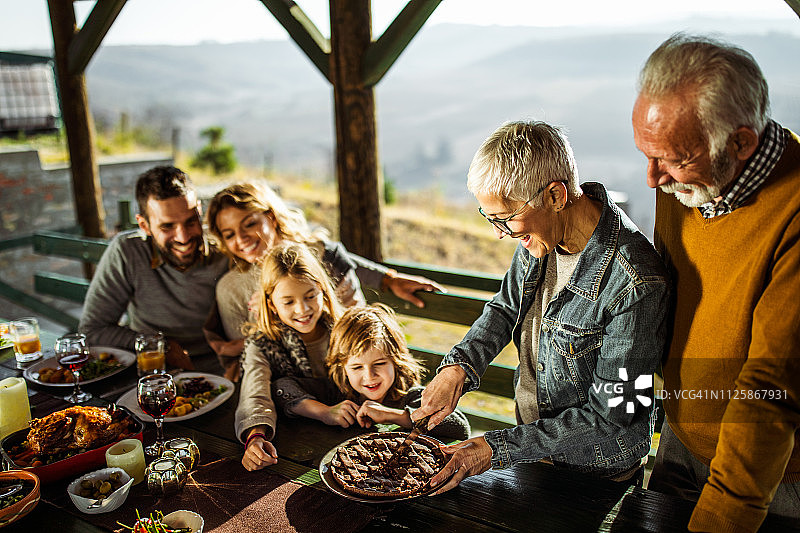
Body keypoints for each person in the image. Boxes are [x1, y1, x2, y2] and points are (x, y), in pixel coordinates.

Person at [413, 121, 670, 493]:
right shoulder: (542, 234)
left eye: (506, 219)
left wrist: (495, 448)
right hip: (535, 456)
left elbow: (615, 417)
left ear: (555, 196)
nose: (501, 234)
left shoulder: (638, 284)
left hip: (595, 475)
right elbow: (505, 308)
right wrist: (458, 367)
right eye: (490, 218)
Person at [631, 33, 800, 531]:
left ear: (741, 142)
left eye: (672, 159)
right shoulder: (682, 181)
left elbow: (770, 387)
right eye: (645, 152)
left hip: (773, 474)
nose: (652, 179)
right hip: (681, 439)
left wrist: (724, 515)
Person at [204, 182, 444, 380]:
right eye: (229, 234)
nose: (242, 238)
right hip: (284, 388)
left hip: (349, 373)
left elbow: (356, 318)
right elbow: (244, 354)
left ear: (271, 218)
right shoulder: (230, 288)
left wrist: (388, 279)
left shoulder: (321, 255)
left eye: (250, 224)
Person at [79, 166, 228, 369]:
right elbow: (93, 331)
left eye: (191, 221)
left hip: (221, 368)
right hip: (153, 370)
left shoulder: (227, 247)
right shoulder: (127, 251)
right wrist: (162, 346)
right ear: (144, 225)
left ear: (199, 211)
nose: (183, 237)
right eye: (167, 226)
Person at [273, 303, 470, 441]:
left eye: (379, 363)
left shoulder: (410, 396)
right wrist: (324, 412)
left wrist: (395, 415)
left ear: (395, 361)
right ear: (343, 368)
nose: (369, 376)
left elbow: (460, 427)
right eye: (357, 367)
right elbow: (282, 388)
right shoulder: (337, 392)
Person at [236, 242, 344, 471]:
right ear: (271, 304)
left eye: (310, 296)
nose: (302, 309)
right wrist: (255, 437)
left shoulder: (344, 330)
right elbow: (255, 394)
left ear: (322, 291)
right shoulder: (263, 344)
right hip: (298, 445)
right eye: (288, 302)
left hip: (350, 430)